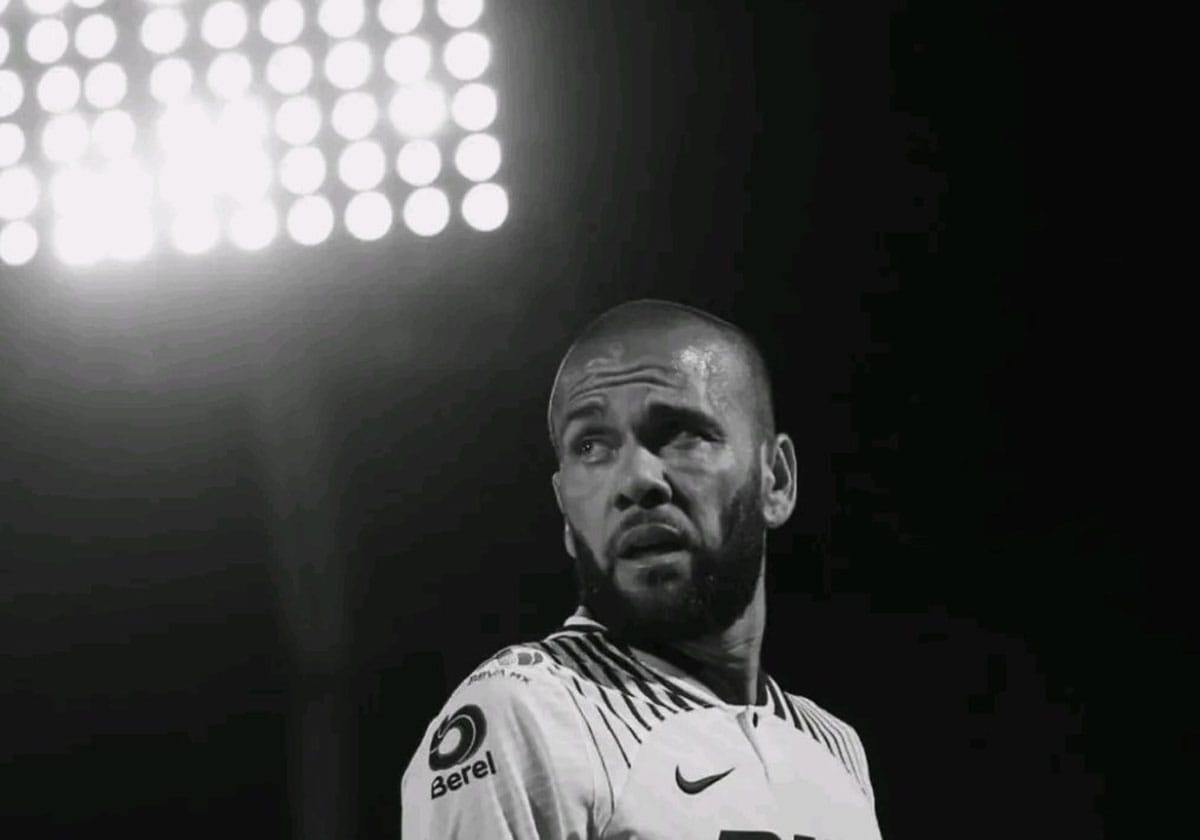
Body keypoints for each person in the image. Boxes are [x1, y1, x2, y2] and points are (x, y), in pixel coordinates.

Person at [400, 299, 882, 839]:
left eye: (681, 432)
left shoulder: (835, 747)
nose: (636, 479)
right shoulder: (526, 713)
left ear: (777, 480)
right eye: (590, 444)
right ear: (565, 509)